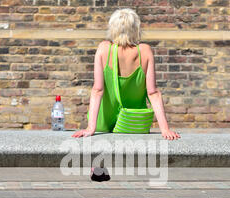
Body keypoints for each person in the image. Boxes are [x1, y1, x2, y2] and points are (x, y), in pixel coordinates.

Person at [72, 8, 181, 140]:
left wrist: (90, 128)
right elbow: (153, 93)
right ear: (136, 29)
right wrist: (165, 129)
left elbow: (97, 90)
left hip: (103, 122)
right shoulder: (144, 51)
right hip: (133, 124)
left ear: (112, 28)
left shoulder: (104, 48)